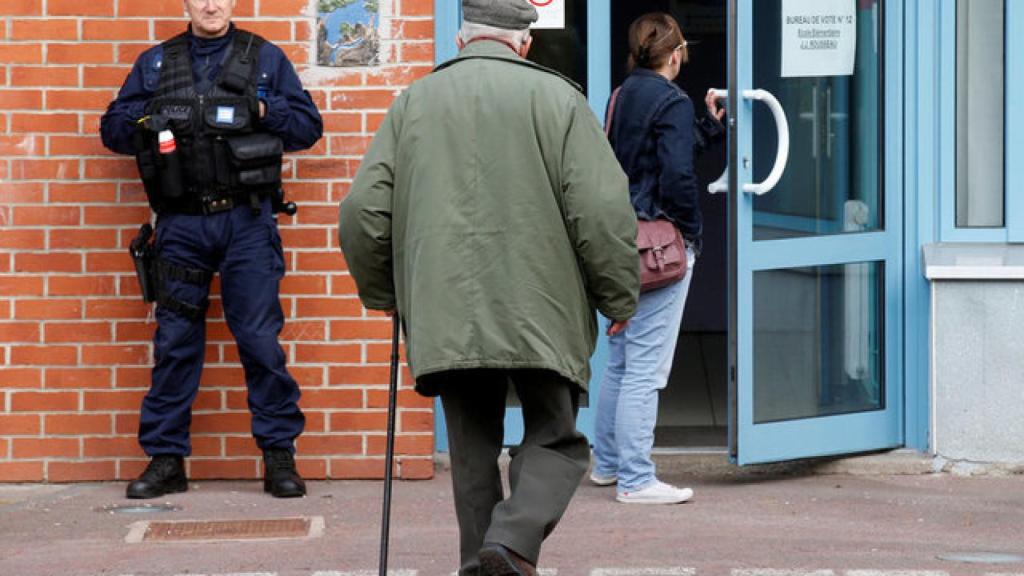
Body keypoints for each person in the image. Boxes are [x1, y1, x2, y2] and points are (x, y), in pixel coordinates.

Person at [338, 0, 639, 573]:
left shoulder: (414, 103)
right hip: (542, 304)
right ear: (524, 43)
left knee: (472, 450)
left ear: (461, 40)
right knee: (555, 435)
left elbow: (360, 214)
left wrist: (388, 294)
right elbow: (602, 210)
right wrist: (617, 295)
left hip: (448, 306)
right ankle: (512, 541)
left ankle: (484, 559)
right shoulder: (559, 99)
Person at [100, 0, 323, 499]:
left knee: (260, 343)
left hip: (247, 221)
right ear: (186, 4)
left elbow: (308, 126)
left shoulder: (264, 58)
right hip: (181, 224)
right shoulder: (156, 63)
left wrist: (264, 110)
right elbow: (112, 128)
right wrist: (150, 118)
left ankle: (278, 456)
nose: (210, 4)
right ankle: (165, 459)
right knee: (175, 343)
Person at [591, 12, 725, 505]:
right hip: (658, 246)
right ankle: (636, 479)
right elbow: (675, 176)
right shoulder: (670, 98)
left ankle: (606, 466)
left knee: (623, 363)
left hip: (623, 237)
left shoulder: (623, 94)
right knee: (646, 368)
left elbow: (641, 158)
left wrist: (708, 129)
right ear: (674, 54)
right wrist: (688, 234)